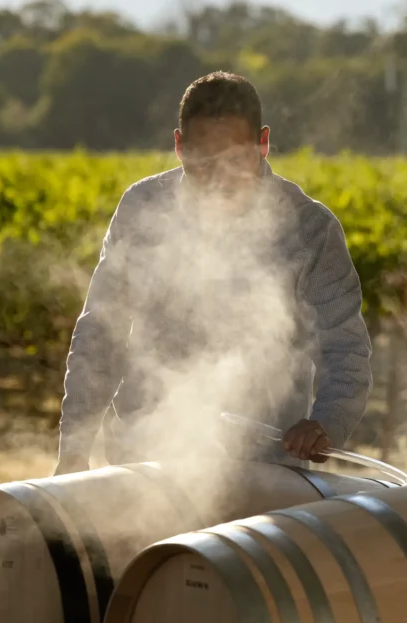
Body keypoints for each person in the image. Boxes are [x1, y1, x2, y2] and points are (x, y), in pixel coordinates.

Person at [54, 71, 373, 475]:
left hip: (265, 471)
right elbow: (100, 332)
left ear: (263, 143)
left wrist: (326, 424)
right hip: (145, 458)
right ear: (178, 146)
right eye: (203, 162)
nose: (219, 180)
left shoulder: (311, 229)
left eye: (235, 160)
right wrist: (73, 449)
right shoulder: (142, 207)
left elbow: (345, 350)